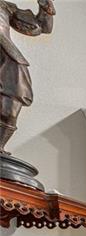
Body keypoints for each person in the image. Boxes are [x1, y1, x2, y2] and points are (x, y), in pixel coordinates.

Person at [0, 0, 54, 154]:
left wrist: (46, 6)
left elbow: (40, 28)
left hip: (7, 59)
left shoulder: (5, 6)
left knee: (9, 109)